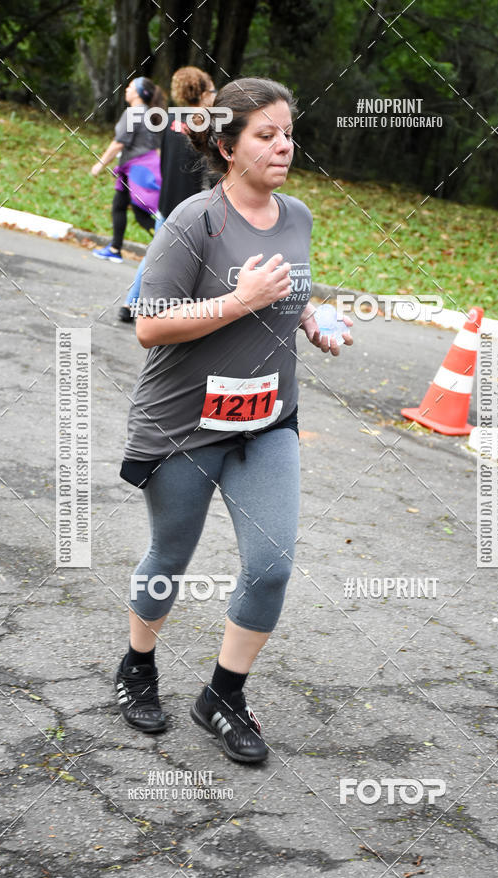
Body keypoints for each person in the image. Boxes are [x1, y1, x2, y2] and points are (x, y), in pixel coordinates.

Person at [114, 77, 353, 764]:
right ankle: (137, 664)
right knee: (171, 556)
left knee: (272, 563)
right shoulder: (194, 221)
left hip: (267, 420)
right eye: (267, 134)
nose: (285, 145)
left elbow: (293, 285)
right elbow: (150, 327)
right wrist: (238, 301)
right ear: (227, 145)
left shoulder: (298, 215)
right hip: (184, 424)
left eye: (288, 132)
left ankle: (223, 693)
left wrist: (313, 318)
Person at [118, 67, 216, 322]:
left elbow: (163, 159)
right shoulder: (207, 122)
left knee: (156, 254)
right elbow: (210, 166)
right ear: (203, 89)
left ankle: (130, 304)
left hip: (168, 198)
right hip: (193, 202)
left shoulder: (170, 117)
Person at [91, 77, 165, 263]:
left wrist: (100, 164)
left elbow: (118, 144)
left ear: (140, 93)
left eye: (131, 87)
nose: (126, 89)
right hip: (143, 168)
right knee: (120, 205)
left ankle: (170, 249)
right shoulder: (151, 113)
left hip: (137, 170)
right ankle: (115, 248)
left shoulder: (133, 113)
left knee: (141, 212)